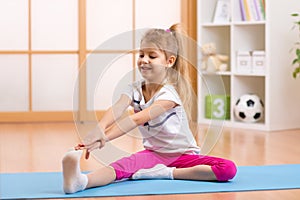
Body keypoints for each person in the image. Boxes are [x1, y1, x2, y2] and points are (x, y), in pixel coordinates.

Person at [62, 24, 237, 194]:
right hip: (153, 155)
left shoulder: (169, 95)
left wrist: (104, 139)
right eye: (141, 54)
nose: (144, 60)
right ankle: (81, 182)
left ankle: (166, 173)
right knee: (121, 167)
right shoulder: (134, 89)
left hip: (183, 157)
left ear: (169, 61)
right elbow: (117, 107)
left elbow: (137, 119)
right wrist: (99, 131)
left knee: (227, 169)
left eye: (152, 56)